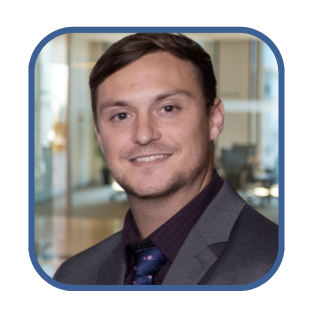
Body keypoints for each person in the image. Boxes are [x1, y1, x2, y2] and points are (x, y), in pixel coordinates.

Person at [53, 33, 278, 285]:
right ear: (100, 136)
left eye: (168, 108)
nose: (144, 134)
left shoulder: (273, 261)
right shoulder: (73, 275)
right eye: (121, 115)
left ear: (214, 119)